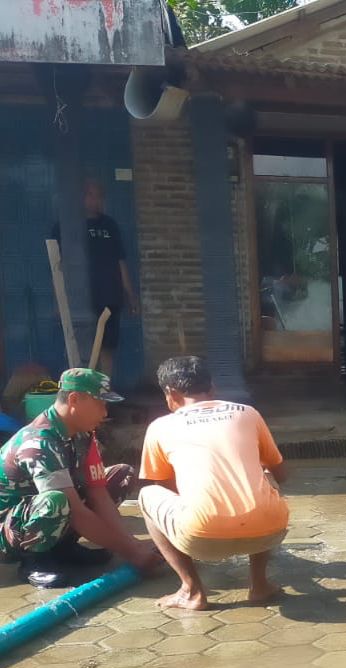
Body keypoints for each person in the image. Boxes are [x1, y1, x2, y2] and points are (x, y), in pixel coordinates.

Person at [139, 356, 289, 611]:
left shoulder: (160, 426)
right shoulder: (248, 413)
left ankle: (192, 591)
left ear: (170, 394)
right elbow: (282, 473)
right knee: (265, 480)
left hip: (201, 538)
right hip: (269, 531)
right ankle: (260, 584)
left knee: (147, 495)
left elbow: (163, 486)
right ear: (212, 388)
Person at [0, 368, 158, 588]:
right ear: (74, 399)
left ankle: (65, 548)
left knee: (120, 475)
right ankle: (34, 561)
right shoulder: (40, 442)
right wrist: (132, 553)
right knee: (56, 500)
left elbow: (98, 493)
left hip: (50, 511)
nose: (105, 412)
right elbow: (75, 510)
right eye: (100, 403)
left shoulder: (82, 433)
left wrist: (131, 546)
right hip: (11, 527)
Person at [50, 179, 138, 378]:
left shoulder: (110, 225)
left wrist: (130, 295)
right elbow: (57, 267)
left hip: (109, 297)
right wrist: (58, 301)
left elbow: (120, 261)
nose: (95, 200)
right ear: (80, 199)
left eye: (99, 196)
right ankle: (85, 394)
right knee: (83, 348)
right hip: (78, 299)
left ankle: (105, 391)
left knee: (108, 347)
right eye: (91, 195)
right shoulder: (66, 226)